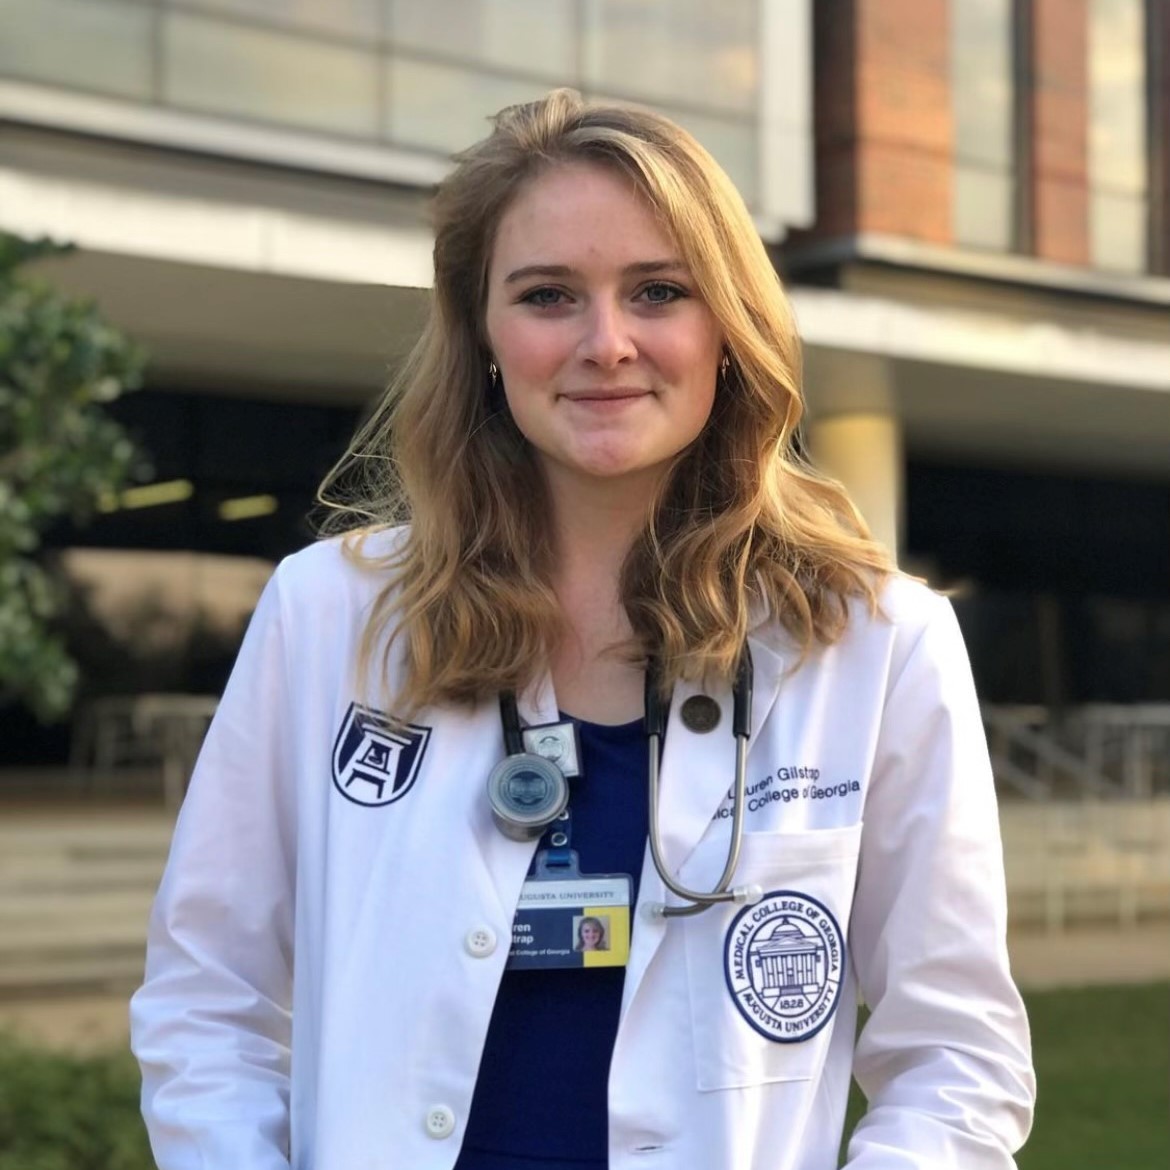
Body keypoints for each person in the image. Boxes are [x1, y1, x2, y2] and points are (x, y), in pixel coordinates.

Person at [130, 89, 1035, 1170]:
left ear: (729, 328)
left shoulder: (878, 643)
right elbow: (206, 998)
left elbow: (957, 1057)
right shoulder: (330, 615)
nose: (607, 344)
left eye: (659, 291)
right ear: (483, 336)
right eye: (549, 295)